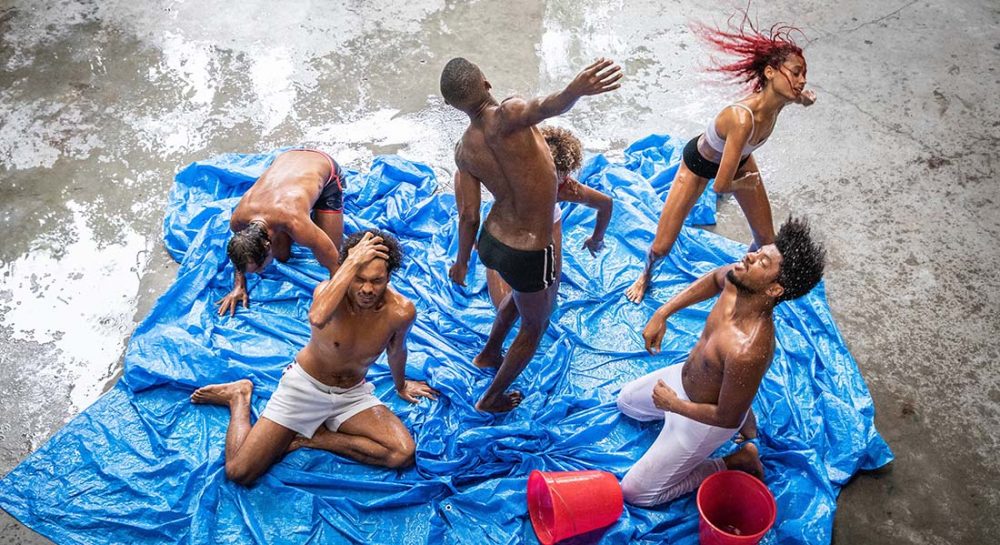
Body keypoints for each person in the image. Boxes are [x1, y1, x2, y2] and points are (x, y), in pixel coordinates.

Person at [442, 57, 622, 412]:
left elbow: (468, 216)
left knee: (521, 296)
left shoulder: (464, 151)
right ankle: (491, 397)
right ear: (487, 83)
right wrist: (576, 89)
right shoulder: (509, 114)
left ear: (452, 106)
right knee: (534, 326)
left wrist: (462, 262)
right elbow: (547, 105)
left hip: (491, 243)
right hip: (529, 251)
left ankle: (489, 352)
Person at [191, 230, 439, 486]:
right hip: (306, 388)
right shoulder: (327, 294)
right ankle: (239, 396)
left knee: (402, 453)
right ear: (348, 272)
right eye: (359, 279)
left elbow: (396, 351)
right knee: (240, 472)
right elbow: (317, 317)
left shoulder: (401, 311)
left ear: (389, 276)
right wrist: (351, 261)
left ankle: (314, 437)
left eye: (376, 280)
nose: (367, 289)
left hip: (351, 395)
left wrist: (401, 385)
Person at [617, 217, 825, 506]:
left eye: (763, 262)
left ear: (774, 289)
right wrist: (662, 313)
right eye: (759, 251)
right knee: (625, 402)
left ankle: (737, 459)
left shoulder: (750, 349)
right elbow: (715, 278)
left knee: (635, 494)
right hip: (684, 380)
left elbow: (725, 417)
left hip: (706, 421)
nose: (750, 255)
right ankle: (742, 405)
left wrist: (673, 405)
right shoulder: (739, 279)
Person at [625, 17, 816, 303]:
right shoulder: (741, 119)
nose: (802, 81)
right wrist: (747, 184)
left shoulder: (782, 99)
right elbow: (721, 185)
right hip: (699, 167)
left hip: (741, 161)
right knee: (662, 246)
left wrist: (805, 99)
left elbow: (798, 98)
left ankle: (745, 278)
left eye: (804, 75)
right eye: (796, 73)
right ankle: (645, 276)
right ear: (770, 72)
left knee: (767, 241)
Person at [482, 126, 614, 307]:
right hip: (509, 223)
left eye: (557, 178)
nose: (545, 184)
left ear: (565, 175)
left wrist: (596, 239)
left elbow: (606, 204)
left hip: (546, 224)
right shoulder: (510, 172)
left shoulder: (566, 189)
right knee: (502, 304)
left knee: (548, 300)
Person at [217, 149, 347, 316]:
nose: (259, 273)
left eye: (259, 268)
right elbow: (241, 249)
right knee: (282, 256)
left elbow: (335, 263)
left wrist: (335, 302)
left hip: (323, 167)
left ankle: (315, 204)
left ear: (267, 246)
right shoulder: (238, 222)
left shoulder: (296, 223)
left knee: (333, 248)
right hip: (285, 162)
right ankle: (307, 204)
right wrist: (238, 285)